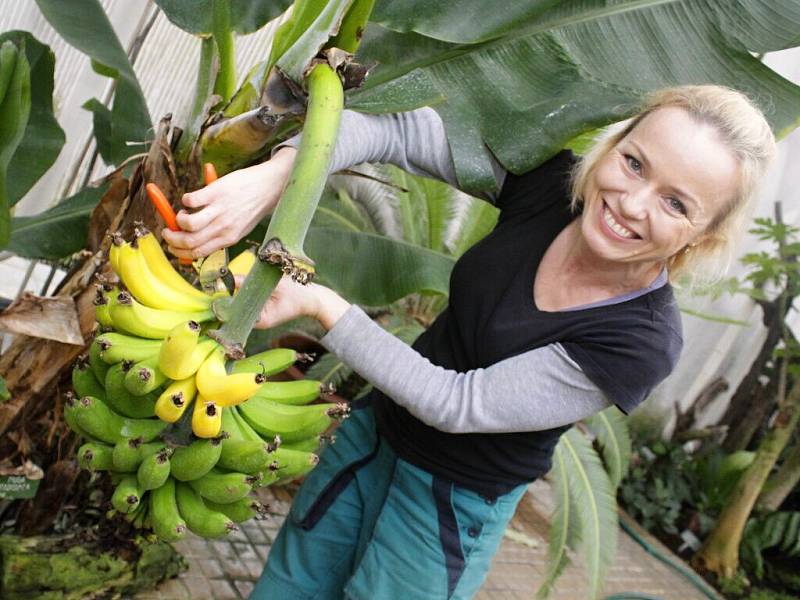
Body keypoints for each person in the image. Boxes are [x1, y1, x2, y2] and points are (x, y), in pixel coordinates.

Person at [163, 85, 776, 599]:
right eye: (634, 163)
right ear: (611, 146)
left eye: (675, 202)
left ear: (705, 234)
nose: (630, 203)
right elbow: (398, 129)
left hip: (450, 507)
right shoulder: (551, 190)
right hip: (374, 437)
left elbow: (459, 404)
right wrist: (279, 175)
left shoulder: (638, 338)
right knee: (287, 587)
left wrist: (322, 304)